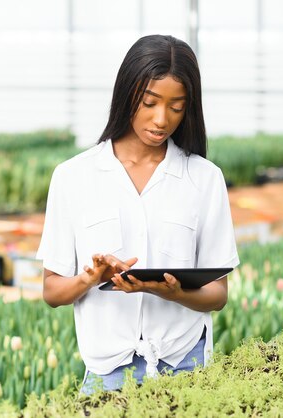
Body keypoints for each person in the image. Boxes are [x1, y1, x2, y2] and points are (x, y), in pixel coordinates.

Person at [36, 34, 239, 394]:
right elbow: (52, 291)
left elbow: (217, 294)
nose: (162, 119)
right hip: (107, 374)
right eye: (149, 102)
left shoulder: (205, 179)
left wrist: (171, 292)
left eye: (176, 107)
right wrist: (89, 278)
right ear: (127, 93)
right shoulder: (73, 177)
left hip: (185, 367)